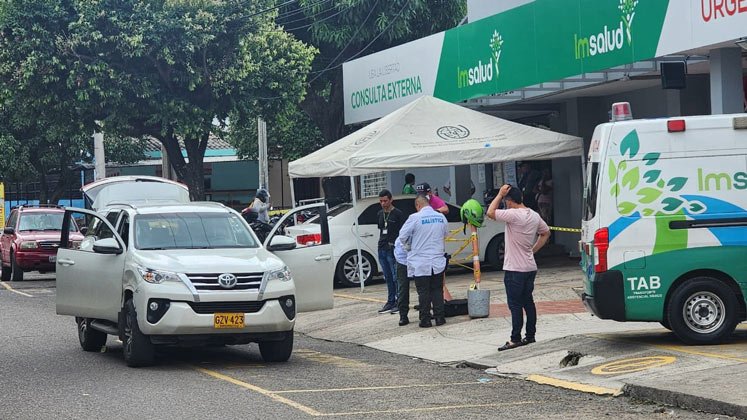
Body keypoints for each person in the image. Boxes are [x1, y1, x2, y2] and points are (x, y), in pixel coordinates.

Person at [487, 184, 550, 351]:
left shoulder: (513, 214)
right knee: (528, 302)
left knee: (515, 305)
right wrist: (533, 249)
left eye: (506, 201)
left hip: (514, 268)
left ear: (509, 201)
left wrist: (499, 194)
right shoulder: (534, 215)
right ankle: (530, 336)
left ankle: (515, 338)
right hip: (530, 267)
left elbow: (490, 212)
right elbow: (546, 233)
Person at [398, 195, 448, 328]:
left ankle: (425, 319)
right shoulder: (441, 217)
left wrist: (408, 247)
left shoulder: (415, 217)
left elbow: (402, 236)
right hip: (437, 260)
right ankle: (439, 318)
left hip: (420, 261)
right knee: (437, 289)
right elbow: (445, 234)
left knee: (423, 291)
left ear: (418, 206)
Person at [376, 189, 405, 314]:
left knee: (395, 276)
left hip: (393, 247)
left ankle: (399, 301)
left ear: (391, 200)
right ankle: (390, 300)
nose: (383, 203)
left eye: (385, 201)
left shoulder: (398, 213)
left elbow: (402, 231)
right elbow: (381, 229)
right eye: (381, 201)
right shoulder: (379, 214)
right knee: (387, 277)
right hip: (382, 247)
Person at [393, 234, 411, 326]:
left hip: (417, 259)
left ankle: (425, 314)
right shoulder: (406, 228)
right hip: (403, 261)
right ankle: (403, 315)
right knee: (403, 288)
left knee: (423, 288)